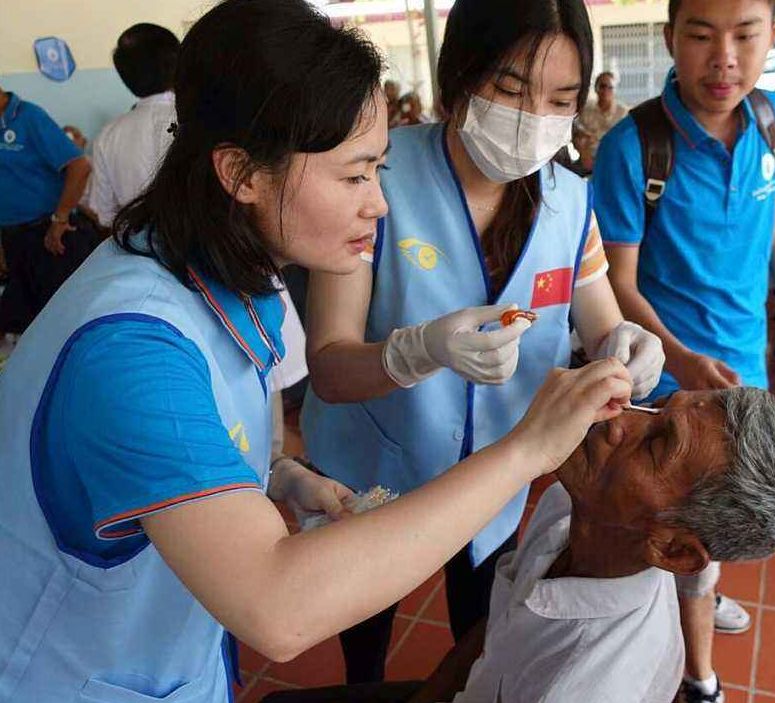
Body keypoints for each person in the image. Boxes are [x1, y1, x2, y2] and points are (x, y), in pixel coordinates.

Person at [0, 2, 634, 701]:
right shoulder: (131, 349)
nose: (382, 204)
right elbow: (278, 606)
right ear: (242, 174)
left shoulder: (225, 279)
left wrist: (271, 474)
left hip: (167, 651)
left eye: (380, 168)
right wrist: (528, 450)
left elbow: (176, 442)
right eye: (356, 174)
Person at [301, 0, 665, 685]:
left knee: (478, 635)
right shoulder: (376, 177)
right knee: (365, 637)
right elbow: (328, 365)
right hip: (378, 469)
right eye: (508, 89)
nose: (533, 119)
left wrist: (626, 342)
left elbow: (600, 321)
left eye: (560, 98)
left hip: (497, 477)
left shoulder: (569, 200)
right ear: (457, 78)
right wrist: (414, 351)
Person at [261, 389, 775, 703]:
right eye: (656, 409)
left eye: (656, 447)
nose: (619, 420)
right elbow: (499, 625)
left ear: (673, 552)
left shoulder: (589, 686)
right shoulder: (569, 507)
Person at [592, 1, 775, 700]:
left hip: (745, 371)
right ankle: (685, 663)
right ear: (670, 39)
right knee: (656, 511)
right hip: (664, 377)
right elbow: (617, 282)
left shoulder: (774, 123)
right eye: (700, 35)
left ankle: (699, 590)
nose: (724, 56)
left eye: (745, 35)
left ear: (771, 39)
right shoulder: (634, 147)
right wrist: (682, 358)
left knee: (717, 511)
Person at [0, 84, 95, 342]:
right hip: (12, 239)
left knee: (59, 323)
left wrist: (60, 218)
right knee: (21, 327)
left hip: (47, 237)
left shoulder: (29, 117)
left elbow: (79, 166)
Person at [86, 23, 179, 229]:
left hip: (138, 248)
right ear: (179, 64)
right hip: (201, 250)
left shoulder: (108, 135)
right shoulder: (197, 119)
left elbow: (105, 214)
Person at [577, 70, 629, 155]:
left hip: (614, 157)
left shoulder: (623, 113)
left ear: (615, 90)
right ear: (596, 88)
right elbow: (578, 137)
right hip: (589, 159)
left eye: (610, 87)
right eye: (602, 86)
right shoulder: (586, 111)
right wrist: (584, 154)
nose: (606, 90)